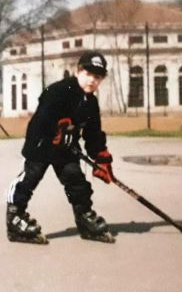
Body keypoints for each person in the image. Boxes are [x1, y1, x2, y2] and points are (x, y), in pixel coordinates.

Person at [6, 51, 115, 244]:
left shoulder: (91, 103)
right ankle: (15, 218)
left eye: (97, 77)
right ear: (78, 71)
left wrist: (101, 157)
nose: (92, 80)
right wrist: (55, 127)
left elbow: (93, 133)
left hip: (65, 149)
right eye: (88, 74)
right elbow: (44, 112)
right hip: (41, 145)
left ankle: (84, 218)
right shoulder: (60, 90)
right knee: (30, 178)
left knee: (77, 181)